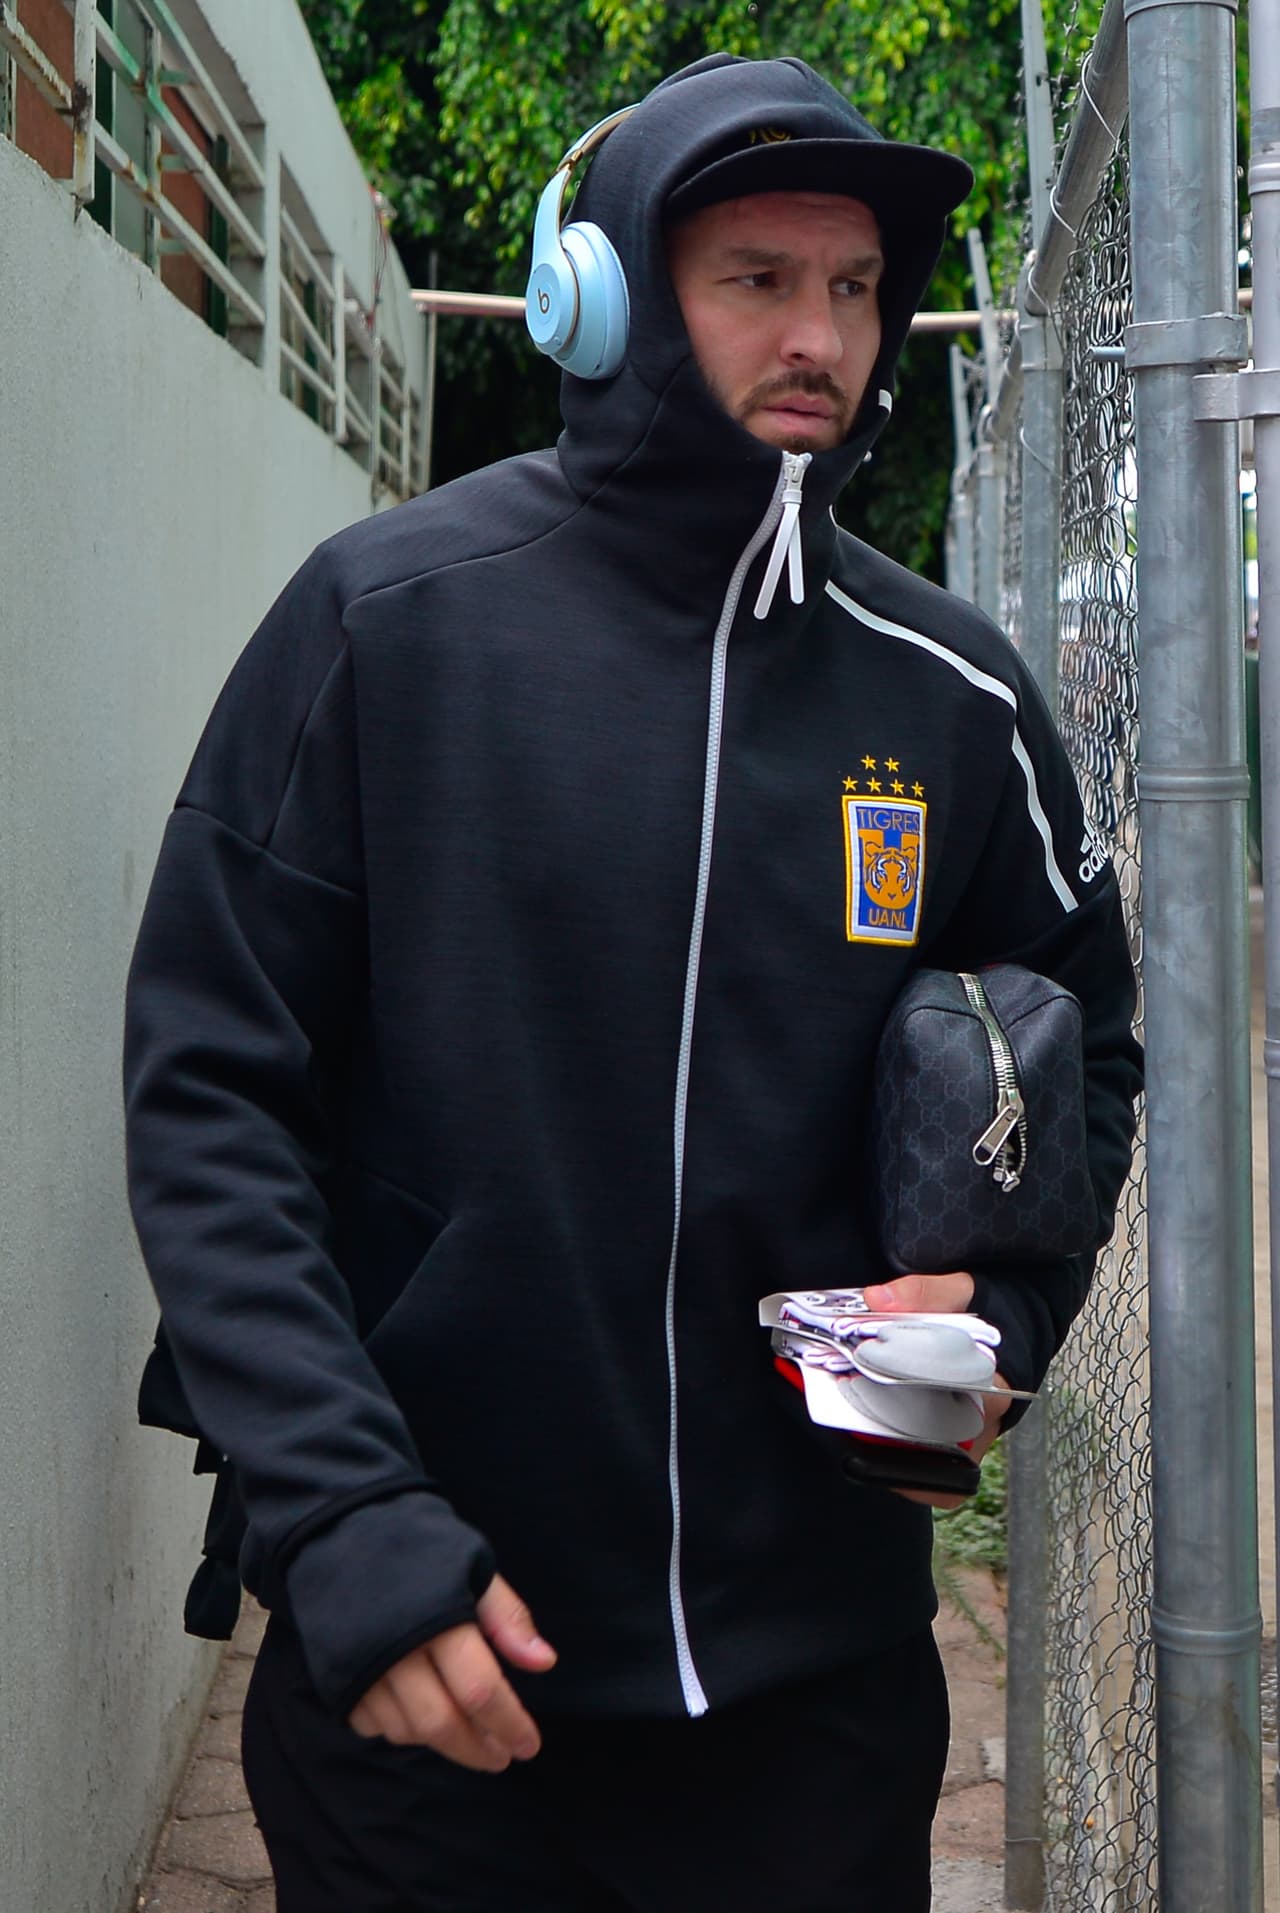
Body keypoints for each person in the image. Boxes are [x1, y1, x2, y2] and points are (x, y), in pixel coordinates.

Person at [124, 51, 1141, 1913]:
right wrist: (347, 1519)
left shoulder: (958, 696)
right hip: (435, 1661)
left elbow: (1093, 1056)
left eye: (851, 286)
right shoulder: (384, 627)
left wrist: (996, 1306)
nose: (817, 331)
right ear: (604, 296)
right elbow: (211, 1090)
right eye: (757, 276)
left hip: (811, 1696)